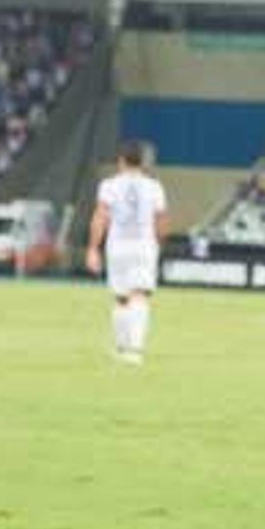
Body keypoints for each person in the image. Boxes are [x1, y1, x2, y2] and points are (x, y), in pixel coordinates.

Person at [84, 141, 168, 365]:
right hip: (143, 245)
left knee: (121, 298)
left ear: (121, 161)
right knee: (139, 294)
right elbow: (160, 220)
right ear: (142, 162)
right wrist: (159, 242)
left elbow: (100, 217)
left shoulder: (108, 185)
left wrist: (93, 248)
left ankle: (122, 348)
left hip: (117, 246)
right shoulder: (154, 186)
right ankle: (134, 350)